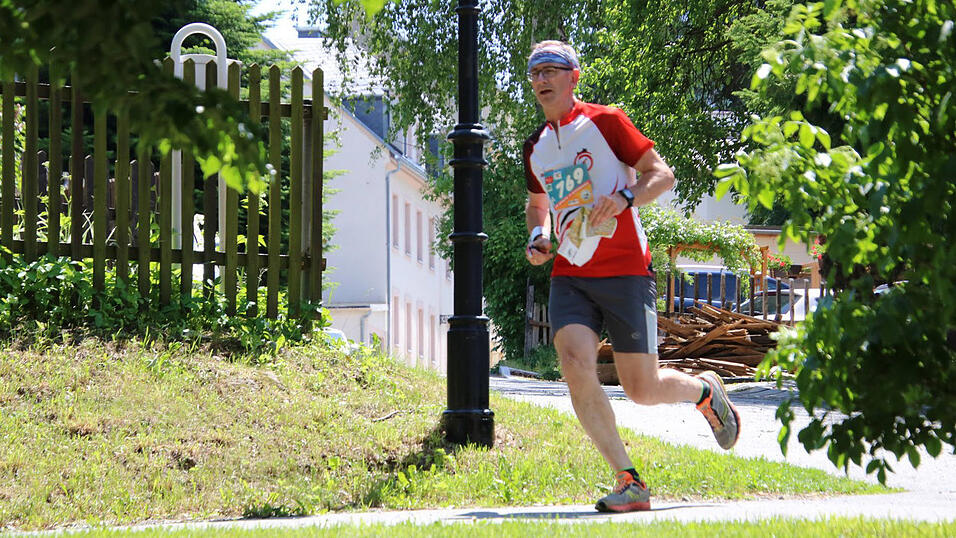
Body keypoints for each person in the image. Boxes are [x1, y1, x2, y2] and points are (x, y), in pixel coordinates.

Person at [522, 40, 741, 513]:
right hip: (571, 271)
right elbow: (538, 203)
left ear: (573, 77)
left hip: (625, 269)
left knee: (642, 390)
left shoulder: (606, 123)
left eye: (551, 70)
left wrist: (623, 199)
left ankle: (704, 390)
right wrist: (540, 236)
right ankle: (628, 480)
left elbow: (662, 175)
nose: (541, 80)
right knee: (574, 362)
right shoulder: (535, 147)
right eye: (535, 73)